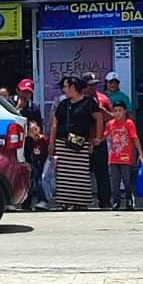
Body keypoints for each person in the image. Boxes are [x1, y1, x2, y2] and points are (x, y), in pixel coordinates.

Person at [49, 76, 104, 210]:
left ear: (73, 87)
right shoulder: (63, 104)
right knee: (64, 174)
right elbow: (55, 124)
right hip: (63, 143)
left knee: (80, 174)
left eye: (66, 86)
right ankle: (64, 202)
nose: (64, 89)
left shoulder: (88, 102)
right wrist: (51, 142)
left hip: (80, 143)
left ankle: (80, 202)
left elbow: (99, 118)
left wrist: (98, 137)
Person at [83, 72, 114, 209]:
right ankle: (81, 201)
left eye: (95, 85)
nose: (93, 89)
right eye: (90, 86)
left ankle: (105, 201)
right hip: (83, 142)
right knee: (82, 174)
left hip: (99, 141)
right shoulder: (79, 100)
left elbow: (112, 118)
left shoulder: (103, 99)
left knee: (102, 174)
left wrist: (100, 109)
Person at [106, 101, 143, 210]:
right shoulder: (110, 124)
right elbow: (105, 136)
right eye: (115, 111)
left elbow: (134, 138)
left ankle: (129, 199)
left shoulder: (128, 123)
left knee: (127, 180)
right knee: (115, 181)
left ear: (125, 111)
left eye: (120, 111)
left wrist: (140, 153)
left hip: (126, 157)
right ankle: (116, 201)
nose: (118, 113)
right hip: (113, 157)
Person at [23, 119, 50, 210]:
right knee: (31, 183)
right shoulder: (28, 141)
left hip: (43, 163)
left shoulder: (44, 140)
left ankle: (42, 201)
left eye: (35, 129)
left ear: (39, 129)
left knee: (40, 182)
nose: (34, 132)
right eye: (31, 131)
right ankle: (26, 203)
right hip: (33, 164)